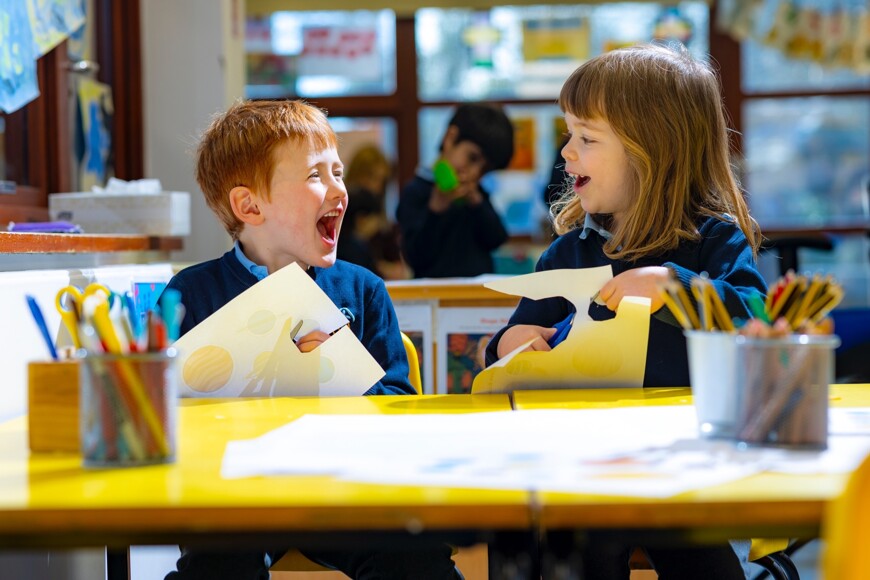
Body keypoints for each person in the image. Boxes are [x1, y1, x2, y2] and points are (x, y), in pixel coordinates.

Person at [484, 44, 767, 579]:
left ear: (652, 152)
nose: (567, 152)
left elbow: (757, 317)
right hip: (583, 468)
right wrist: (506, 344)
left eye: (587, 139)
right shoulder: (567, 253)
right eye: (569, 134)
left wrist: (675, 287)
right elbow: (508, 349)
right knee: (572, 550)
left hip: (685, 466)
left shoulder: (714, 242)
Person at [162, 99, 462, 580]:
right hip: (234, 494)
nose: (339, 189)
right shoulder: (190, 294)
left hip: (345, 488)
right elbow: (163, 412)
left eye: (337, 172)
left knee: (413, 556)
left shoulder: (363, 289)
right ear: (249, 206)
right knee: (218, 565)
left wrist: (340, 370)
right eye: (315, 175)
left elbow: (400, 406)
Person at [396, 103, 514, 278]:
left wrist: (478, 204)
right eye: (472, 158)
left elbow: (497, 238)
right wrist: (436, 210)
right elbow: (415, 256)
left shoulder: (477, 195)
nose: (475, 173)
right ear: (450, 138)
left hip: (477, 291)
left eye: (485, 170)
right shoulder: (416, 191)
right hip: (433, 292)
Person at [337, 144, 411, 280]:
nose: (375, 186)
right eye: (371, 178)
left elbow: (397, 264)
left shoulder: (381, 220)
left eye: (381, 180)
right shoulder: (339, 213)